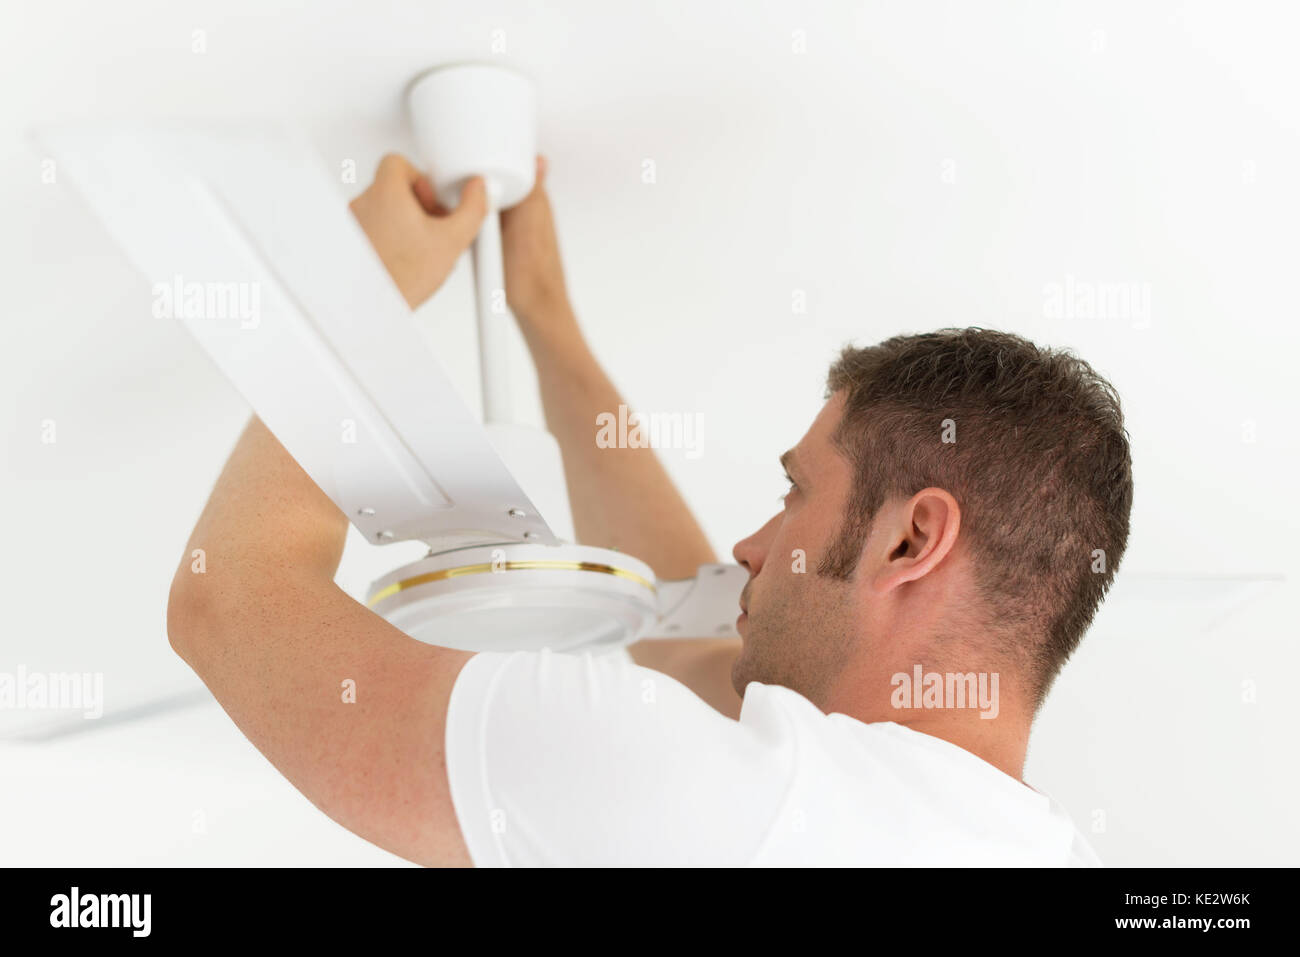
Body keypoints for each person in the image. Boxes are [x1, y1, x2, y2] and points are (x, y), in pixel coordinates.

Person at [166, 153, 1132, 866]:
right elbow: (685, 618)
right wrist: (544, 317)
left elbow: (229, 603)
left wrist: (352, 291)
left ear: (911, 538)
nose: (750, 546)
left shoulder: (724, 802)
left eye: (796, 491)